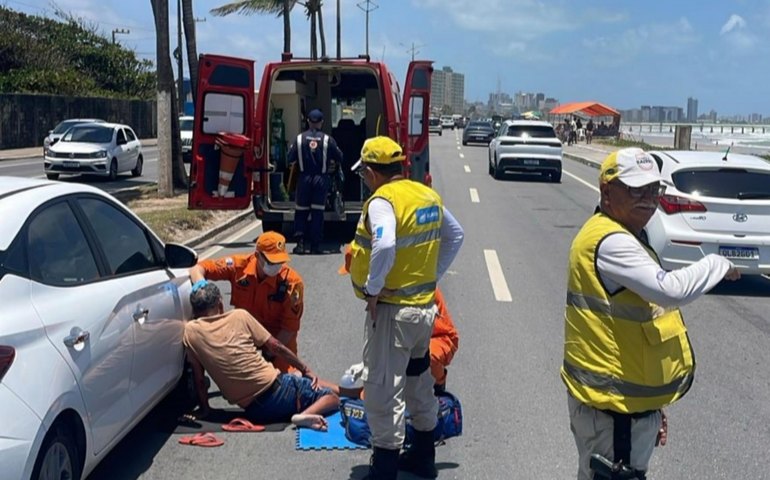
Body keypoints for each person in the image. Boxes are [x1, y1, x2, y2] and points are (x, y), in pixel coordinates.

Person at [562, 147, 741, 480]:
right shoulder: (613, 242)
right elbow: (670, 290)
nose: (647, 198)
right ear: (606, 191)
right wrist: (716, 262)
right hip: (613, 414)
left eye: (653, 189)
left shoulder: (620, 233)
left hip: (620, 408)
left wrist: (651, 408)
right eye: (635, 189)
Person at [348, 136, 464, 480]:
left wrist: (373, 288)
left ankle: (384, 469)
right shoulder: (426, 195)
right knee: (418, 385)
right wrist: (431, 278)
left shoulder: (382, 201)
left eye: (364, 174)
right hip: (423, 312)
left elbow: (383, 244)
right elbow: (455, 235)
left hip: (393, 313)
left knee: (384, 390)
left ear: (370, 172)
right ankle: (423, 458)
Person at [183, 282, 339, 431]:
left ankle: (335, 390)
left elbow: (200, 379)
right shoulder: (239, 316)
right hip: (276, 391)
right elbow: (276, 346)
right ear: (220, 303)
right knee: (331, 398)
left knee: (296, 378)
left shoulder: (190, 332)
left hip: (255, 411)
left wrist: (205, 409)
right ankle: (304, 415)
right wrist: (306, 369)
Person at [338, 244, 460, 394]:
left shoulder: (404, 287)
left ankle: (437, 385)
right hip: (405, 338)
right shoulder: (380, 289)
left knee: (422, 361)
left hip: (436, 337)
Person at [189, 231, 304, 373]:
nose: (276, 266)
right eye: (271, 261)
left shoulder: (292, 283)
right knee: (239, 382)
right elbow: (198, 267)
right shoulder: (239, 266)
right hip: (244, 332)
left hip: (277, 338)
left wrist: (270, 353)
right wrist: (200, 285)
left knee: (292, 380)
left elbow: (289, 329)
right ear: (257, 255)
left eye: (279, 262)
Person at [287, 108, 344, 254]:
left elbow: (289, 157)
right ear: (322, 122)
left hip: (304, 178)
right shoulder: (327, 140)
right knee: (317, 212)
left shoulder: (299, 139)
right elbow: (340, 157)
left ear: (308, 122)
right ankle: (315, 246)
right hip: (321, 179)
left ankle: (300, 244)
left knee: (301, 211)